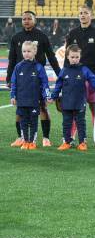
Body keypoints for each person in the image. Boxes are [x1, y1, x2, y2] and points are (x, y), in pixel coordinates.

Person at [7, 11, 61, 148]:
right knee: (20, 110)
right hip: (21, 80)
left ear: (34, 20)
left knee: (43, 107)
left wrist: (60, 74)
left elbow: (51, 56)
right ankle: (21, 137)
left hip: (37, 78)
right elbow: (12, 59)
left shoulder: (42, 36)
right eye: (23, 19)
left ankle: (46, 138)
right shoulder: (16, 37)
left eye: (29, 18)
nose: (26, 21)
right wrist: (9, 78)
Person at [65, 6, 95, 146]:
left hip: (94, 77)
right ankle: (71, 137)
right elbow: (68, 57)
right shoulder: (72, 33)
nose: (83, 15)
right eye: (80, 13)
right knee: (74, 108)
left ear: (91, 16)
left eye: (85, 13)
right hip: (74, 77)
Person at [50, 45, 95, 151]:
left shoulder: (84, 70)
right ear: (68, 57)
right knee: (66, 122)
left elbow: (93, 80)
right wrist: (53, 96)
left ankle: (82, 142)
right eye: (72, 57)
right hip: (67, 102)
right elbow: (58, 85)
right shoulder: (64, 71)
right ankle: (67, 142)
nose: (75, 59)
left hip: (80, 102)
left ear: (80, 57)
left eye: (77, 57)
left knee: (81, 122)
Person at [9, 41, 51, 150]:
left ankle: (32, 142)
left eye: (29, 51)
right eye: (24, 51)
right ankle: (25, 141)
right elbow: (14, 83)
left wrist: (47, 96)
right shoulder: (18, 67)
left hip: (34, 101)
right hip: (22, 101)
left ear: (34, 52)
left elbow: (45, 84)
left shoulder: (39, 67)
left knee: (33, 122)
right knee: (23, 122)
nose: (26, 53)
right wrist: (13, 96)